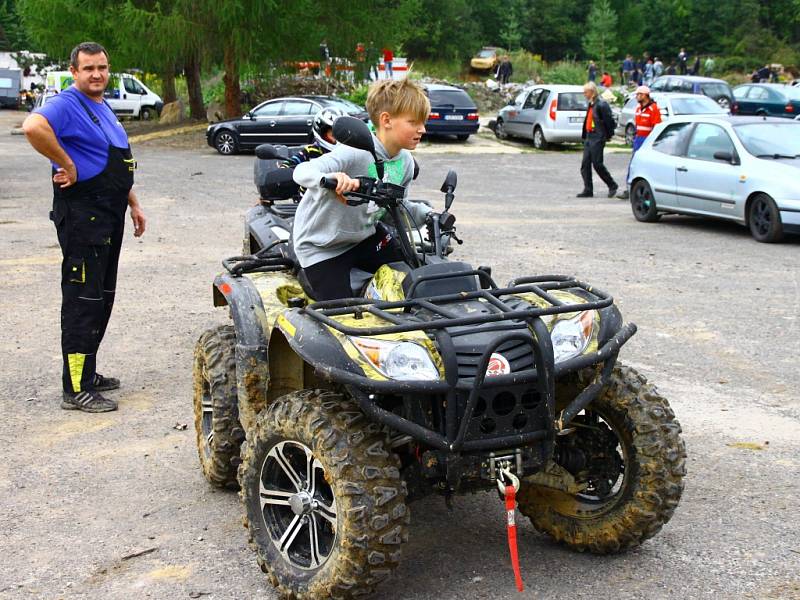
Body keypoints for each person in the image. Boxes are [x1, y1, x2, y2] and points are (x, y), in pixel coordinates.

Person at [21, 41, 146, 413]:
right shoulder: (66, 104)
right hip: (83, 217)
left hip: (109, 214)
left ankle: (87, 373)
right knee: (83, 301)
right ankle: (75, 388)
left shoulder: (102, 104)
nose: (97, 74)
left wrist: (133, 202)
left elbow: (115, 162)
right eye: (89, 68)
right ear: (73, 71)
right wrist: (65, 162)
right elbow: (33, 126)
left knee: (102, 297)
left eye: (102, 68)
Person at [291, 79, 432, 301]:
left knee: (413, 281)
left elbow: (395, 211)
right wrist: (330, 178)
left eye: (423, 122)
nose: (422, 129)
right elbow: (301, 171)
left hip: (364, 238)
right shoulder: (354, 152)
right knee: (342, 312)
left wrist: (428, 215)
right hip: (323, 246)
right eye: (413, 122)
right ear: (386, 120)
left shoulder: (406, 162)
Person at [617, 85, 661, 200]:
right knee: (633, 165)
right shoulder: (638, 108)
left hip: (647, 141)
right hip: (638, 139)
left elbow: (656, 127)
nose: (637, 96)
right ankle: (629, 188)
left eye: (639, 94)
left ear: (645, 95)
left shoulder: (653, 109)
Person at [577, 82, 618, 198]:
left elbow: (609, 122)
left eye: (586, 92)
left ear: (592, 92)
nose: (584, 94)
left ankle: (612, 184)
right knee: (585, 164)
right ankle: (588, 189)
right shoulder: (591, 104)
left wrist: (608, 135)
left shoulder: (601, 105)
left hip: (597, 137)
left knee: (597, 164)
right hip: (589, 137)